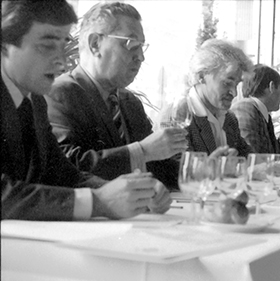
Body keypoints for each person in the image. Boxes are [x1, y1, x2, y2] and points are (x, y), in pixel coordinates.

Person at [1, 0, 168, 221]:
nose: (61, 61)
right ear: (5, 45)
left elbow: (62, 174)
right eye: (48, 45)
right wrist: (96, 202)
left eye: (63, 45)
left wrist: (128, 193)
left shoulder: (34, 101)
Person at [46, 2, 187, 190]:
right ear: (95, 44)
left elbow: (157, 164)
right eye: (131, 44)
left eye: (142, 47)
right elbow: (67, 167)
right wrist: (141, 151)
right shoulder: (59, 93)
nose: (141, 57)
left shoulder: (130, 103)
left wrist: (206, 172)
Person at [174, 39, 254, 157]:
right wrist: (215, 167)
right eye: (227, 83)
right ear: (201, 76)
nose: (234, 93)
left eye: (237, 84)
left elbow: (248, 159)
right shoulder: (178, 114)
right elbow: (179, 170)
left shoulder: (230, 119)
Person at [231, 64, 280, 154]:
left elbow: (278, 153)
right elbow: (252, 158)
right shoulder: (245, 109)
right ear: (272, 87)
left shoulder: (262, 114)